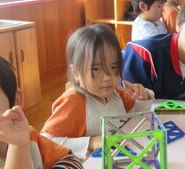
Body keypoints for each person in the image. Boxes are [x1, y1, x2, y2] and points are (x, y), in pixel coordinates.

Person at [41, 24, 154, 159]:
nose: (108, 78)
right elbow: (46, 142)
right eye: (96, 69)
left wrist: (142, 97)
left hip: (121, 160)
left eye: (114, 67)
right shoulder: (73, 102)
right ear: (76, 72)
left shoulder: (115, 93)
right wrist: (91, 142)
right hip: (89, 168)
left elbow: (135, 118)